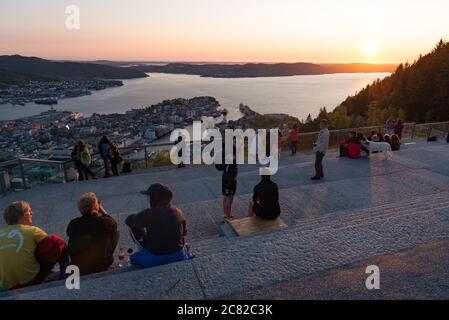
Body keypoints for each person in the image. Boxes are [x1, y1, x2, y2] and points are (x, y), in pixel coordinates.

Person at [0, 201, 68, 290]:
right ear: (22, 214)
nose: (32, 213)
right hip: (31, 279)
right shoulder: (32, 230)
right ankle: (66, 272)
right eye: (29, 211)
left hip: (6, 285)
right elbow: (52, 246)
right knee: (57, 242)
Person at [125, 184, 194, 268]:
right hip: (179, 255)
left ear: (154, 199)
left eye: (149, 197)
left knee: (133, 258)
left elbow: (129, 220)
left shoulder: (149, 214)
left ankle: (143, 248)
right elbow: (184, 232)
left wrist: (138, 216)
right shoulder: (177, 211)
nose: (148, 199)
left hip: (155, 258)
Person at [66, 193, 119, 276]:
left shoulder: (73, 223)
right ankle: (106, 256)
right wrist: (101, 209)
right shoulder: (103, 222)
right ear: (95, 207)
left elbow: (69, 233)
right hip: (100, 265)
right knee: (114, 231)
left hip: (78, 266)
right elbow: (114, 223)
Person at [222, 138, 238, 221]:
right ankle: (227, 218)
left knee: (226, 196)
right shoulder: (232, 151)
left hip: (225, 176)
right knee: (230, 198)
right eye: (235, 141)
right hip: (230, 178)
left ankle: (225, 215)